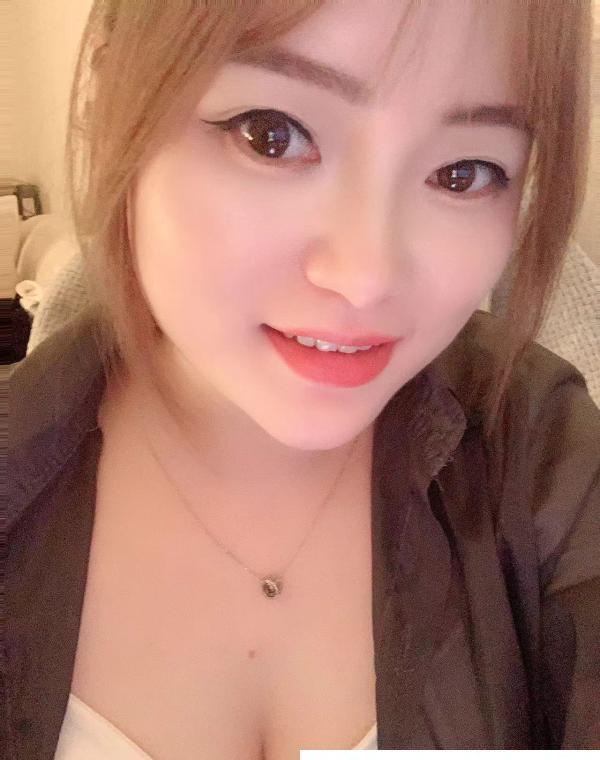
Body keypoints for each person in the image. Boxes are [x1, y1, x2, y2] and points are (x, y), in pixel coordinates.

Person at [5, 0, 599, 757]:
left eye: (463, 173)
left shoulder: (546, 459)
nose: (365, 278)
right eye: (272, 135)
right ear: (108, 101)